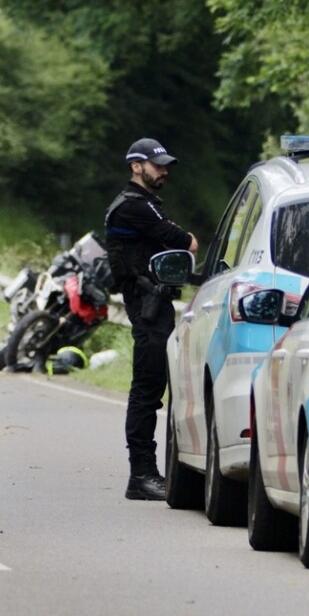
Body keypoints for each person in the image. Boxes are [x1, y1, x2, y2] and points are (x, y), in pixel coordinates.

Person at [104, 138, 198, 501]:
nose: (164, 171)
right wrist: (182, 236)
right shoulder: (134, 206)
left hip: (154, 304)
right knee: (147, 390)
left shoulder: (143, 204)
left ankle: (151, 473)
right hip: (147, 306)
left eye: (166, 165)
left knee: (154, 388)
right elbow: (186, 242)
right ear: (136, 166)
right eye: (157, 165)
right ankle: (141, 475)